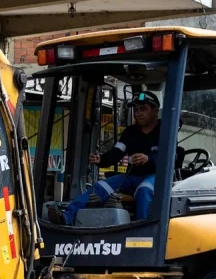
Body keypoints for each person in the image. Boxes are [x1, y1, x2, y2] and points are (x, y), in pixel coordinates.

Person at [58, 90, 163, 225]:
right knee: (100, 186)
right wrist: (101, 159)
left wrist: (148, 159)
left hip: (157, 177)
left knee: (144, 189)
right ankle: (66, 216)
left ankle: (142, 228)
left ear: (155, 110)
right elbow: (116, 153)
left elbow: (172, 158)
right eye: (136, 110)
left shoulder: (165, 129)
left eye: (143, 109)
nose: (139, 113)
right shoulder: (130, 132)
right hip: (131, 177)